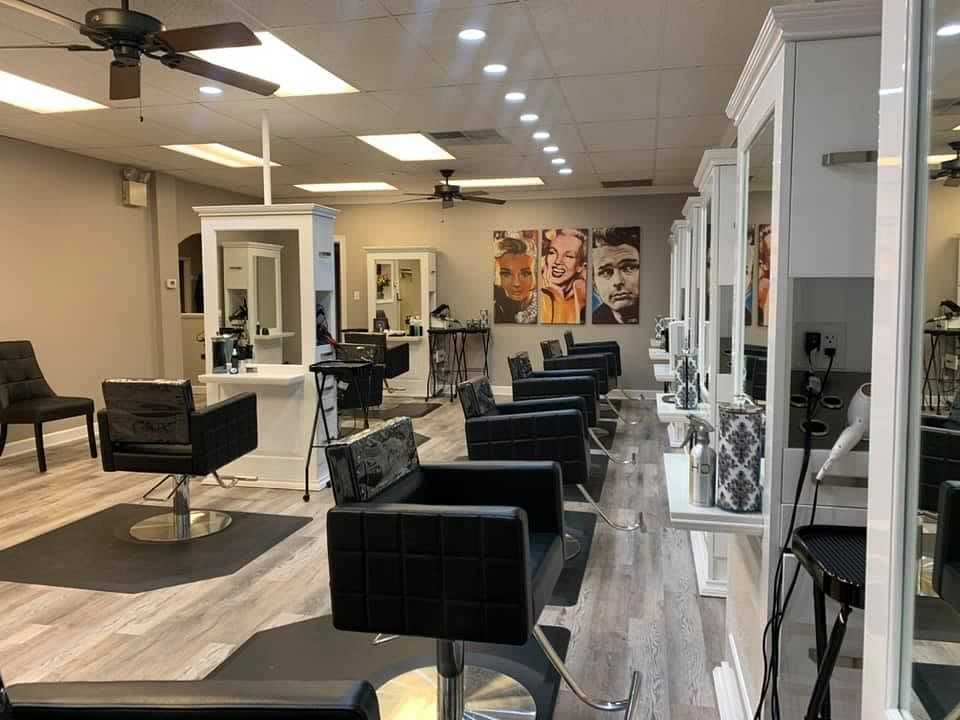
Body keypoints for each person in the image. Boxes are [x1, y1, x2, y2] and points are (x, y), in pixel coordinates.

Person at [592, 227, 641, 324]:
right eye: (606, 272)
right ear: (594, 285)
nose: (618, 281)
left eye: (629, 268)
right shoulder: (596, 320)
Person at [540, 228, 587, 324]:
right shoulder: (537, 291)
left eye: (568, 256)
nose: (557, 261)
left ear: (580, 266)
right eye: (552, 252)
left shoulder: (582, 294)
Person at [493, 232, 537, 323]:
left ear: (535, 274)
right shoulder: (496, 308)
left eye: (525, 274)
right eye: (506, 274)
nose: (516, 283)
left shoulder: (546, 307)